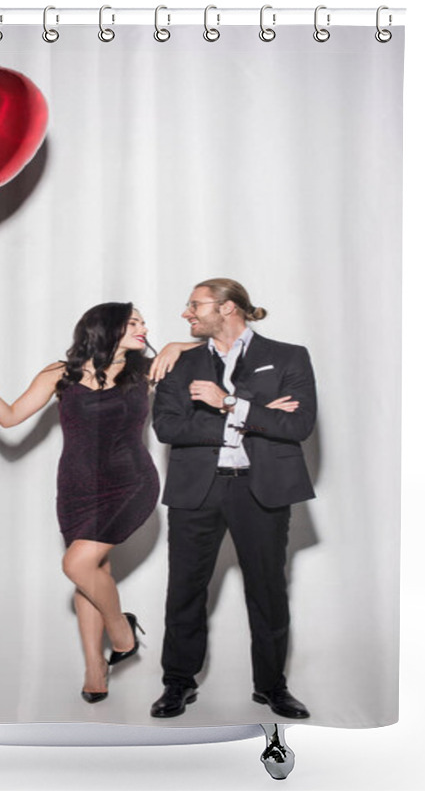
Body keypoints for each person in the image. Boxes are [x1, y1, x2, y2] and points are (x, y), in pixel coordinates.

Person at [0, 303, 174, 704]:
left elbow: (207, 353)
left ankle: (122, 633)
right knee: (89, 569)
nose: (144, 327)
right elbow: (8, 417)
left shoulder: (146, 370)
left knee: (77, 565)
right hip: (76, 488)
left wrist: (177, 345)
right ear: (105, 329)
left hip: (131, 484)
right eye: (133, 323)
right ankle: (95, 667)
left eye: (143, 322)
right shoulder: (60, 374)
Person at [150, 278, 317, 719]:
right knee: (184, 590)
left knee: (268, 591)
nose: (186, 313)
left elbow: (298, 427)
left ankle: (272, 686)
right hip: (196, 490)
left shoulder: (287, 357)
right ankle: (178, 683)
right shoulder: (178, 364)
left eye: (195, 305)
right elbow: (167, 427)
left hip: (259, 487)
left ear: (227, 308)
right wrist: (256, 415)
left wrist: (230, 403)